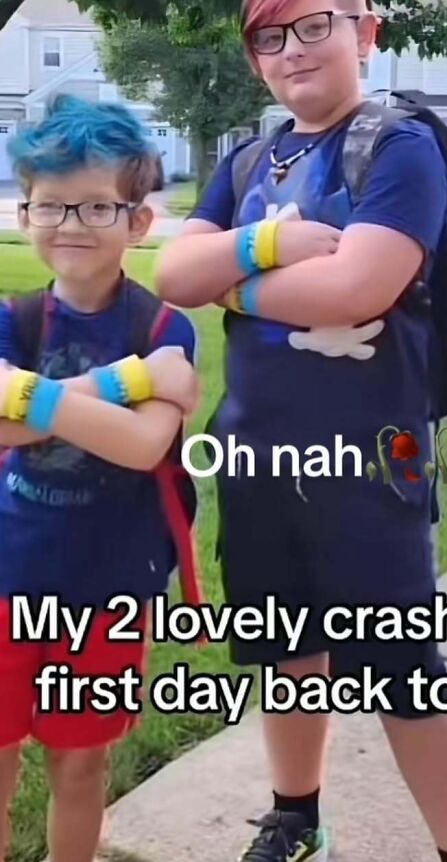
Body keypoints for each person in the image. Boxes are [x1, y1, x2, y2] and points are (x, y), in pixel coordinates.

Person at [156, 1, 447, 860]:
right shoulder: (248, 158)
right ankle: (295, 817)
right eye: (269, 36)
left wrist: (233, 278)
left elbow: (355, 291)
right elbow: (171, 272)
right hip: (259, 456)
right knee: (285, 650)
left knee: (403, 675)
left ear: (364, 33)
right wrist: (277, 243)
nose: (291, 51)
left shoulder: (400, 146)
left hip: (369, 466)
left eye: (312, 26)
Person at [0, 95, 198, 862]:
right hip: (10, 575)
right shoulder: (13, 321)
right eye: (51, 206)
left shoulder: (161, 328)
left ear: (138, 221)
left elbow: (144, 449)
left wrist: (26, 397)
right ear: (26, 215)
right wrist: (119, 386)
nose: (72, 224)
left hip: (109, 591)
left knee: (81, 765)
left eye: (95, 206)